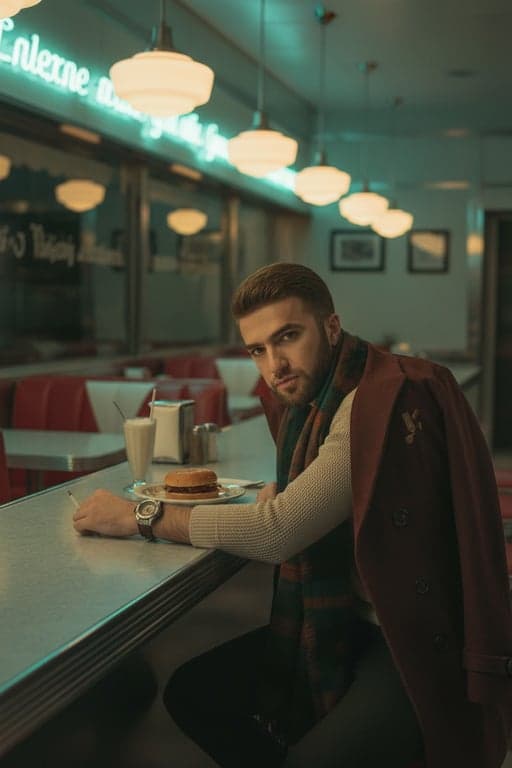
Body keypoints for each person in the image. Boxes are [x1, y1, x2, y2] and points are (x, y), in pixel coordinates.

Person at [74, 262, 512, 768]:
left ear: (330, 327)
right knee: (196, 693)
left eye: (288, 337)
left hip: (407, 640)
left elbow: (278, 531)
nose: (274, 363)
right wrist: (298, 493)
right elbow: (315, 501)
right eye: (257, 349)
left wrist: (141, 516)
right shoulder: (314, 401)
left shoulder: (378, 399)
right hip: (350, 622)